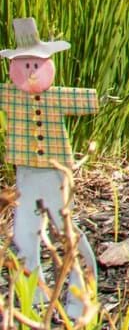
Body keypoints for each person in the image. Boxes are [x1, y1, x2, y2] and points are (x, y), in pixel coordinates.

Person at [2, 18, 101, 315]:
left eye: (35, 64)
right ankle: (32, 299)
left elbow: (90, 101)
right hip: (26, 173)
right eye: (24, 65)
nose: (31, 71)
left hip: (56, 172)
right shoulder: (10, 95)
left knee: (67, 231)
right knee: (23, 234)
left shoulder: (57, 97)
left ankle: (81, 299)